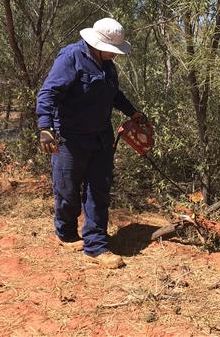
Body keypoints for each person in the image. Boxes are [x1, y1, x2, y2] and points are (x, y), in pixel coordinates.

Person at [36, 17, 146, 269]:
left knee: (99, 190)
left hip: (100, 137)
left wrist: (132, 112)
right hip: (70, 138)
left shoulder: (108, 66)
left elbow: (113, 93)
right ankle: (65, 233)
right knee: (67, 190)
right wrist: (45, 127)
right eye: (112, 50)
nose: (115, 55)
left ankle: (95, 246)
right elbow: (49, 92)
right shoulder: (71, 57)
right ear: (97, 44)